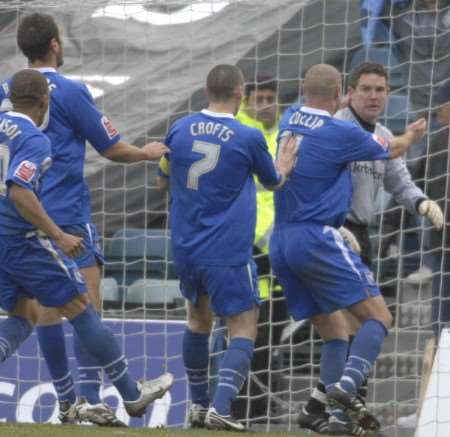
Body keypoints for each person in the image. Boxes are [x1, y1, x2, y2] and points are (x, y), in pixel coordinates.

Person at [0, 13, 169, 426]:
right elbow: (110, 147)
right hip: (62, 214)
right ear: (56, 45)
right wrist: (148, 153)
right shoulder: (71, 91)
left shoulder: (5, 90)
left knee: (37, 312)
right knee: (84, 305)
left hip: (13, 220)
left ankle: (68, 401)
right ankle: (96, 397)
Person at [269, 63, 426, 435]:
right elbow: (392, 149)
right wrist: (411, 135)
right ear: (342, 93)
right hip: (321, 236)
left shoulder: (289, 120)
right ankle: (343, 392)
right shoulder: (340, 129)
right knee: (379, 319)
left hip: (282, 241)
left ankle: (328, 417)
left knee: (337, 331)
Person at [157, 64, 298, 431]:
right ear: (240, 95)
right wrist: (283, 163)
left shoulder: (179, 128)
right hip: (228, 251)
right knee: (244, 327)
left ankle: (199, 406)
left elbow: (162, 180)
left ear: (206, 90)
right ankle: (221, 407)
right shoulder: (247, 136)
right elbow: (273, 182)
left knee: (197, 321)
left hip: (186, 247)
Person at [234, 76, 287, 421]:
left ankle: (263, 403)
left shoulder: (286, 133)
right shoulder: (239, 131)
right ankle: (241, 406)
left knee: (272, 335)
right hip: (247, 247)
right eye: (259, 98)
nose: (265, 104)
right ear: (248, 101)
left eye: (271, 98)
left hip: (281, 248)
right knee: (247, 334)